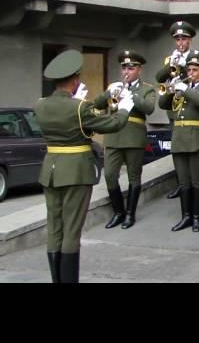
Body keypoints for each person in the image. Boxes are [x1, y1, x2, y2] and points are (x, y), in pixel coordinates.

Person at [35, 49, 134, 283]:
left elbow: (75, 118)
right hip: (76, 171)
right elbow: (110, 124)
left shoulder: (40, 105)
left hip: (50, 170)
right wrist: (124, 109)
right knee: (71, 231)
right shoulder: (79, 108)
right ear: (76, 79)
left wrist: (84, 101)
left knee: (54, 229)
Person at [94, 50, 156, 230]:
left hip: (134, 137)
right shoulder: (115, 86)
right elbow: (97, 104)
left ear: (139, 69)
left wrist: (132, 95)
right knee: (110, 175)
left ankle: (130, 214)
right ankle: (118, 212)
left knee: (134, 176)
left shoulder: (147, 88)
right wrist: (108, 94)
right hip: (114, 136)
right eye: (124, 68)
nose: (126, 72)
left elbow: (149, 108)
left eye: (130, 68)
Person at [159, 50, 199, 232]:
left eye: (194, 70)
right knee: (183, 182)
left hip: (197, 140)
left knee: (197, 182)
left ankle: (197, 217)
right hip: (179, 140)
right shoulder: (181, 90)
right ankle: (186, 217)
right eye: (189, 70)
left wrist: (187, 90)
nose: (190, 73)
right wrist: (170, 90)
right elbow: (163, 104)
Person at [156, 20, 197, 199]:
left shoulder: (195, 57)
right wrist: (171, 64)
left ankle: (193, 183)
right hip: (174, 107)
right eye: (178, 39)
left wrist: (185, 62)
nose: (181, 43)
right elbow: (159, 77)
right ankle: (182, 184)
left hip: (190, 107)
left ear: (190, 40)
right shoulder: (169, 59)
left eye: (184, 39)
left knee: (191, 147)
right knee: (177, 148)